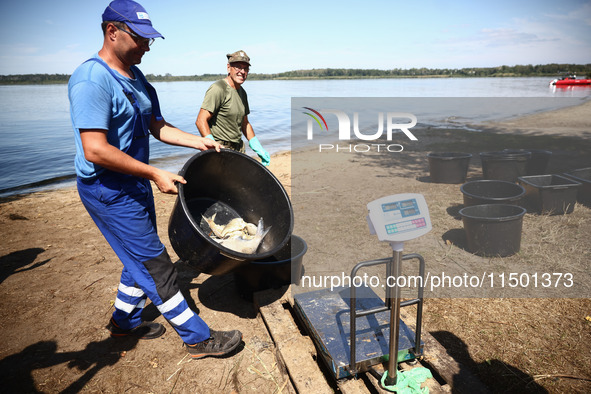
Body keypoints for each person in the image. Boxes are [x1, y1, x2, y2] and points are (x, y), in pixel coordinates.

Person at [68, 0, 242, 360]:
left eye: (150, 39)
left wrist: (201, 140)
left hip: (133, 184)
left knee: (138, 258)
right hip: (107, 189)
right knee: (156, 263)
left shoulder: (137, 76)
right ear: (112, 32)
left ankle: (123, 323)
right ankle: (197, 338)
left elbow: (157, 126)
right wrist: (153, 172)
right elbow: (95, 150)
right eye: (140, 38)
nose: (147, 45)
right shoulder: (91, 80)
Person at [196, 50, 271, 166]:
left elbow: (245, 123)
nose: (242, 72)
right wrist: (212, 146)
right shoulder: (218, 88)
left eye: (246, 69)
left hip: (238, 149)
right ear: (228, 68)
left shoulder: (242, 93)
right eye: (238, 67)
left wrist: (257, 146)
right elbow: (201, 120)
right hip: (220, 150)